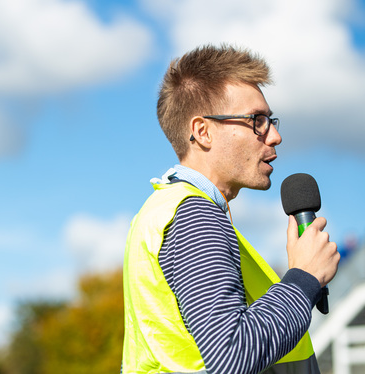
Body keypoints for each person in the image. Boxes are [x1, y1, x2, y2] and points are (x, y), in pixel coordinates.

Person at [122, 45, 340, 374]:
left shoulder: (161, 211)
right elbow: (233, 354)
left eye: (271, 121)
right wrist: (304, 278)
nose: (276, 136)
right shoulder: (194, 217)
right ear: (203, 131)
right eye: (258, 121)